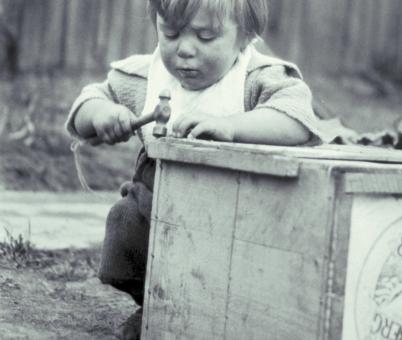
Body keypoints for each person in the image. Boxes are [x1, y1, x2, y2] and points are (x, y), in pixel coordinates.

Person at [65, 0, 333, 338]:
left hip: (237, 211)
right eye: (171, 34)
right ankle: (154, 305)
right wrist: (101, 114)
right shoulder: (144, 77)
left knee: (241, 270)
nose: (185, 50)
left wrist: (233, 126)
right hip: (157, 202)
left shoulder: (256, 79)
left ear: (245, 37)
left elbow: (296, 118)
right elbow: (84, 106)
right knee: (126, 224)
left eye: (206, 37)